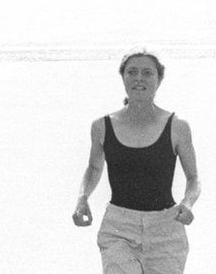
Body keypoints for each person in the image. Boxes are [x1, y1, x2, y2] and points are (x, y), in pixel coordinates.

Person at [72, 49, 201, 274]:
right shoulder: (102, 126)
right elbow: (93, 168)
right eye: (132, 72)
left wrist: (188, 204)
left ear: (159, 80)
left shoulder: (178, 127)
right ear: (123, 78)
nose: (139, 78)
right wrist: (82, 198)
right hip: (118, 228)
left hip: (166, 229)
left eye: (147, 73)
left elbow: (193, 178)